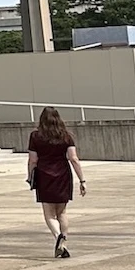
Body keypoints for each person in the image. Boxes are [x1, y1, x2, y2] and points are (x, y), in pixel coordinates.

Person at [28, 107, 87, 258]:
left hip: (44, 176)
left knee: (49, 214)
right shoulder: (66, 136)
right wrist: (82, 180)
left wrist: (30, 177)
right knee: (62, 212)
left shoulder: (35, 136)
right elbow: (73, 158)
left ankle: (58, 236)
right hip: (63, 175)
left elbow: (33, 160)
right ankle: (64, 242)